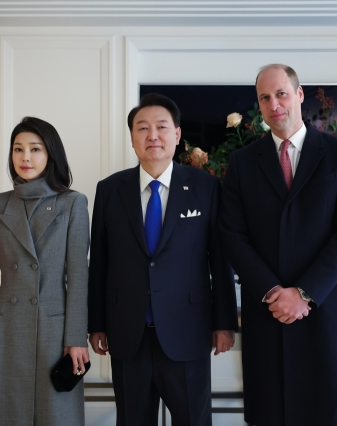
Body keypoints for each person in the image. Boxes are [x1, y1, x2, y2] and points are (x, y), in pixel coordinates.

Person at [220, 64, 337, 426]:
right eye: (264, 98)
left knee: (330, 412)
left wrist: (303, 293)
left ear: (299, 95)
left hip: (324, 308)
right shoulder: (241, 164)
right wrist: (273, 291)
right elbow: (233, 236)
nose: (274, 104)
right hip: (267, 311)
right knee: (271, 412)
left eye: (281, 93)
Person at [88, 93, 238, 426]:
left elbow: (220, 259)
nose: (152, 135)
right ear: (132, 138)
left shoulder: (206, 187)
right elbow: (99, 262)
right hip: (129, 334)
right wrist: (96, 323)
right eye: (142, 128)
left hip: (188, 332)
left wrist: (224, 322)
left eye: (161, 127)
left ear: (177, 135)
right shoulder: (110, 190)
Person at [0, 117, 90, 426]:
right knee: (5, 413)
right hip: (5, 328)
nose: (25, 157)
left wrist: (76, 338)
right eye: (18, 149)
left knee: (56, 415)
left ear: (50, 154)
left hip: (55, 329)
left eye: (35, 149)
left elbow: (78, 277)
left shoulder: (72, 203)